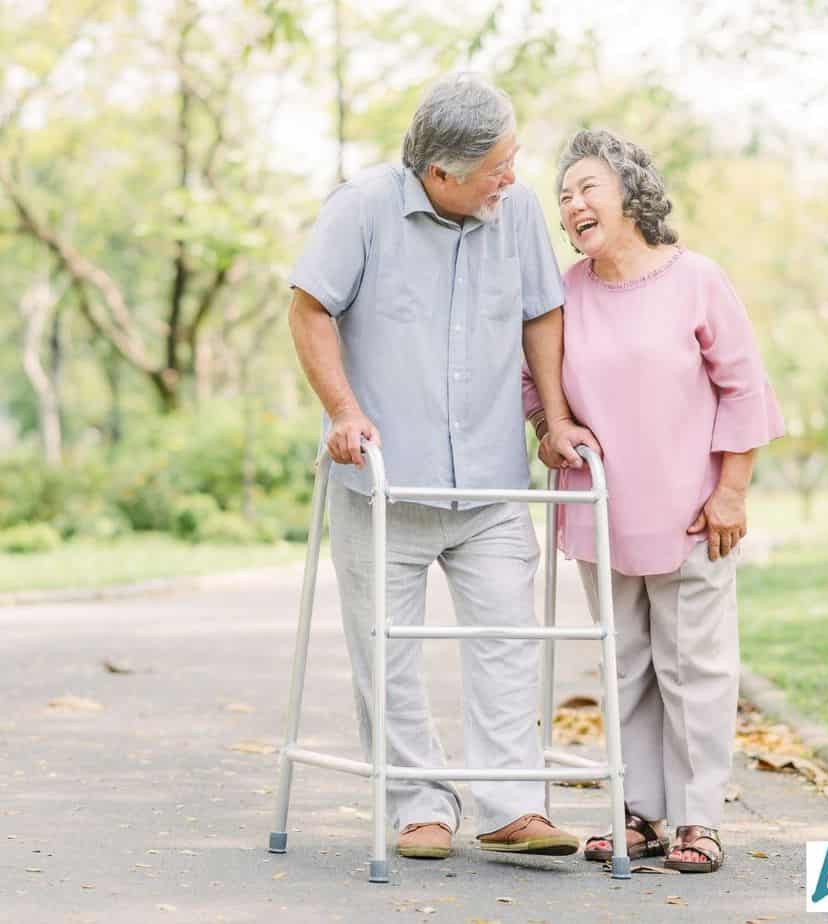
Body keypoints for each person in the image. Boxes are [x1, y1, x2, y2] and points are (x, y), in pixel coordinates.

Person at [287, 73, 599, 862]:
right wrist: (342, 411)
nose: (513, 177)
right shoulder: (359, 208)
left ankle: (510, 806)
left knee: (507, 636)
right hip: (386, 481)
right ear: (440, 174)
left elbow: (542, 311)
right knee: (385, 649)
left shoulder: (515, 211)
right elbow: (309, 307)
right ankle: (418, 805)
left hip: (490, 478)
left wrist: (554, 419)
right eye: (497, 164)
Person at [522, 128, 785, 873]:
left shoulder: (696, 278)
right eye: (563, 196)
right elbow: (532, 384)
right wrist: (550, 426)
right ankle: (636, 813)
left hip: (693, 512)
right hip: (599, 512)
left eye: (586, 189)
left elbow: (744, 389)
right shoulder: (562, 292)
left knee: (693, 666)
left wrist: (732, 490)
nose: (571, 206)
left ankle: (699, 819)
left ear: (630, 194)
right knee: (623, 665)